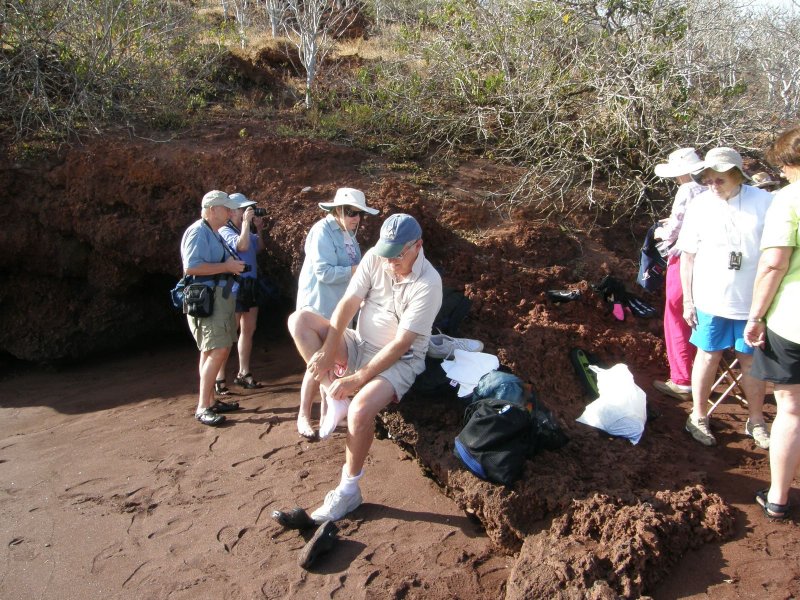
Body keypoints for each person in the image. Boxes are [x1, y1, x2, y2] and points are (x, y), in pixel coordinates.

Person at [287, 214, 443, 523]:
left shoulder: (429, 283)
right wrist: (330, 353)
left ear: (417, 247)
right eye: (386, 253)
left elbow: (401, 344)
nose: (389, 261)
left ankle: (348, 491)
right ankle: (334, 393)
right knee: (299, 320)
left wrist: (358, 378)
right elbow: (347, 304)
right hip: (360, 342)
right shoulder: (376, 257)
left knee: (359, 412)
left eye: (397, 254)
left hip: (401, 359)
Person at [678, 147, 773, 448]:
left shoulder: (764, 202)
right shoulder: (700, 205)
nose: (713, 186)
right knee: (707, 356)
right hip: (710, 298)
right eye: (708, 180)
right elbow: (688, 257)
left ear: (737, 175)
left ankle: (756, 420)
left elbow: (776, 254)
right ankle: (699, 415)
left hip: (752, 301)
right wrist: (688, 301)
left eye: (720, 180)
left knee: (750, 360)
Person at [744, 125, 800, 519]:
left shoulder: (789, 199)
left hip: (793, 321)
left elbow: (773, 264)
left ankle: (778, 498)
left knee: (791, 409)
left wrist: (756, 315)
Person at [292, 188, 379, 439]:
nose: (356, 218)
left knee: (332, 362)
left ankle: (327, 414)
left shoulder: (350, 235)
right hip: (317, 305)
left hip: (340, 308)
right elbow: (324, 273)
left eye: (360, 213)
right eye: (351, 212)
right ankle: (304, 416)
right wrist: (357, 271)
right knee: (317, 363)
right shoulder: (322, 231)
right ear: (337, 210)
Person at [180, 190, 246, 426]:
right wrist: (227, 267)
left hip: (218, 298)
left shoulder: (212, 232)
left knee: (213, 350)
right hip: (207, 299)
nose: (230, 212)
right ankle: (203, 405)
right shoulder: (198, 232)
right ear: (211, 209)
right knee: (217, 349)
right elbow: (191, 267)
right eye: (226, 208)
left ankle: (210, 399)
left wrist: (229, 267)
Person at [652, 148, 707, 400]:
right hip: (714, 263)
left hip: (686, 259)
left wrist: (662, 233)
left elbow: (676, 228)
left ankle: (682, 379)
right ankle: (703, 372)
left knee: (676, 315)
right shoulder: (714, 187)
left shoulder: (687, 189)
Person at [215, 192, 266, 394]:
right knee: (229, 333)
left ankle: (243, 372)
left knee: (248, 329)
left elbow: (258, 248)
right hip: (233, 286)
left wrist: (259, 229)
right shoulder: (224, 230)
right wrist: (246, 223)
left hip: (250, 284)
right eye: (244, 209)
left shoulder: (245, 229)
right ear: (233, 211)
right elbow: (241, 245)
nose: (248, 212)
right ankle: (219, 377)